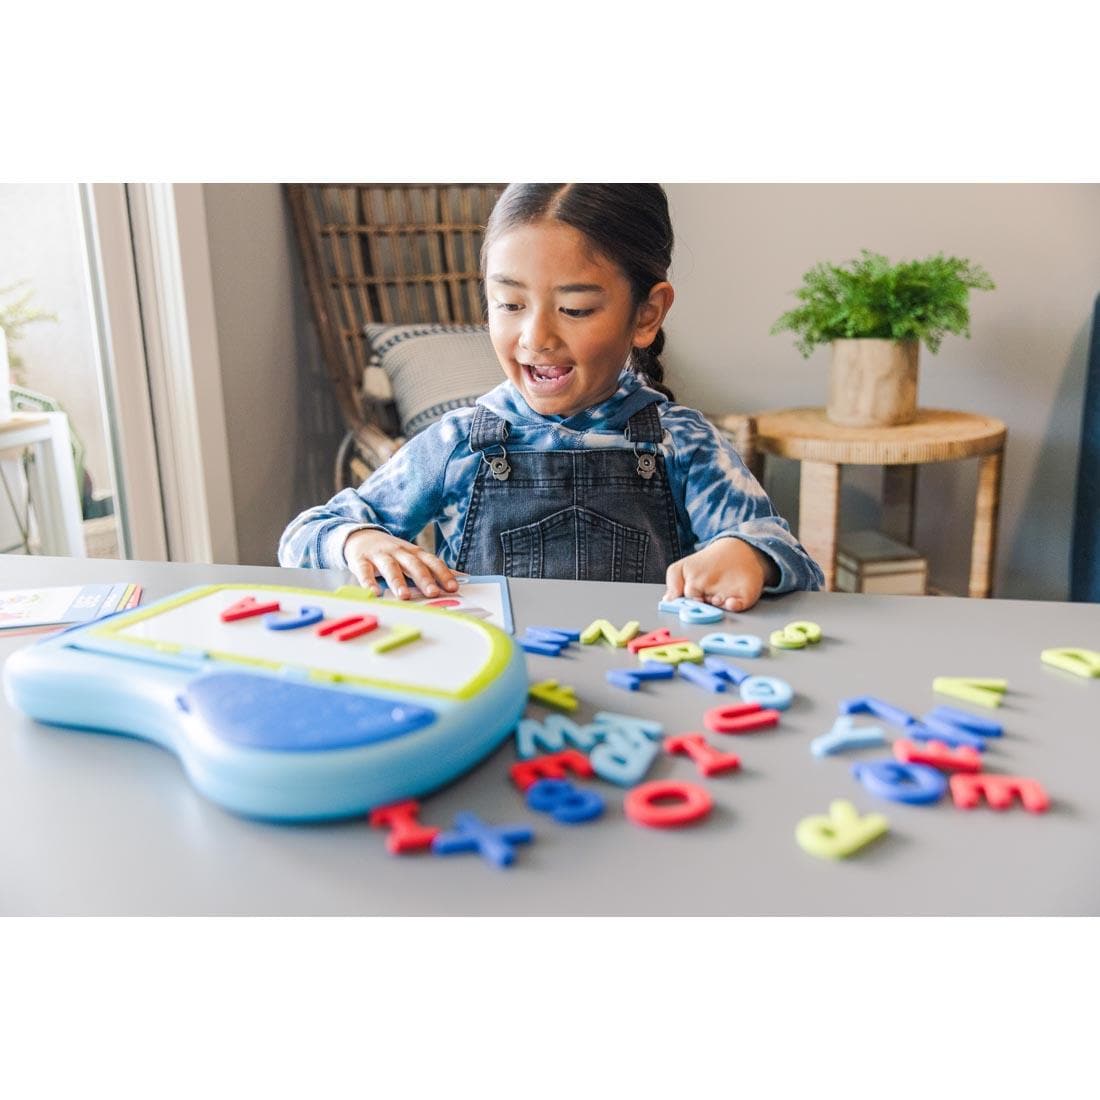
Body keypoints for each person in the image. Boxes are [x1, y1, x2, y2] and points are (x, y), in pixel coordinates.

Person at [279, 184, 823, 610]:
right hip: (495, 689)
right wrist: (357, 541)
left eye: (576, 308)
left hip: (645, 683)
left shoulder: (683, 443)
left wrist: (748, 553)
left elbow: (793, 560)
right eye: (510, 304)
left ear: (646, 314)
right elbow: (305, 537)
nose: (536, 338)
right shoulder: (458, 443)